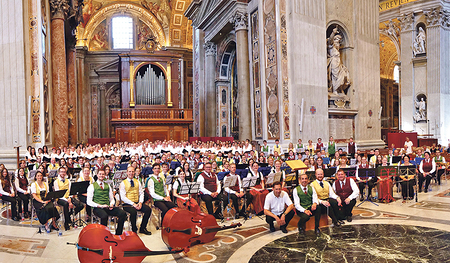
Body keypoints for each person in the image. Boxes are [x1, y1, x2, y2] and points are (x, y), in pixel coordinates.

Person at [87, 168, 127, 235]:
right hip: (97, 208)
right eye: (100, 174)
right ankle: (104, 235)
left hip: (107, 206)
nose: (101, 175)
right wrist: (99, 205)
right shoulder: (92, 186)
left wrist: (111, 204)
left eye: (103, 174)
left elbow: (111, 198)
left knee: (122, 213)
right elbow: (88, 201)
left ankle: (118, 233)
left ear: (105, 175)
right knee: (104, 216)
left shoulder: (107, 185)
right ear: (97, 175)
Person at [119, 166, 152, 235]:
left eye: (132, 171)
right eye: (130, 171)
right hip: (127, 203)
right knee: (133, 212)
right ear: (127, 173)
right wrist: (133, 204)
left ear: (134, 172)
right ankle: (134, 230)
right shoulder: (123, 183)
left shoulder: (137, 181)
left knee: (148, 209)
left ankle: (142, 228)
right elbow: (123, 197)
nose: (131, 173)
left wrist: (140, 202)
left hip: (137, 201)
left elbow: (141, 193)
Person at [53, 166, 84, 230]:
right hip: (60, 198)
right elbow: (58, 193)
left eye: (64, 172)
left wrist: (69, 198)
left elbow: (70, 191)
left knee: (80, 205)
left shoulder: (68, 181)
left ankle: (69, 215)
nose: (63, 173)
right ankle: (66, 222)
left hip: (68, 197)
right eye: (61, 172)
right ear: (59, 173)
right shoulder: (56, 181)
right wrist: (67, 200)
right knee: (66, 204)